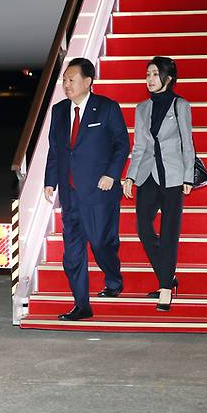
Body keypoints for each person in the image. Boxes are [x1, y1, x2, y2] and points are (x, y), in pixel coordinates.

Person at [44, 58, 130, 321]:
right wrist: (50, 181)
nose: (66, 85)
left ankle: (113, 279)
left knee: (102, 242)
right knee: (72, 255)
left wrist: (112, 175)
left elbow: (121, 145)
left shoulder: (106, 108)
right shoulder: (59, 111)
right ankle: (82, 304)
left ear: (88, 81)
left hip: (99, 193)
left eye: (71, 79)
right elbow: (56, 149)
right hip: (70, 195)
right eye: (64, 80)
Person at [123, 56, 195, 311]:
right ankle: (168, 277)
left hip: (174, 176)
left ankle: (165, 287)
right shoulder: (142, 108)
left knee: (169, 233)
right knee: (143, 228)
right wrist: (130, 175)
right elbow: (140, 146)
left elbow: (188, 142)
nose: (149, 79)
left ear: (168, 78)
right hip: (148, 176)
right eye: (147, 74)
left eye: (154, 74)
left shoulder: (180, 105)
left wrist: (189, 176)